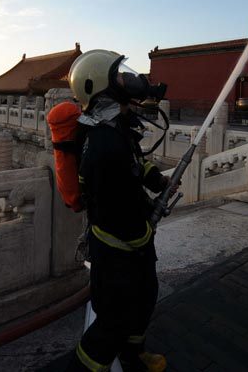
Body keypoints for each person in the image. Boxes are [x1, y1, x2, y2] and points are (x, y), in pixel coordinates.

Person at [65, 49, 171, 372]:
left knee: (145, 298)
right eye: (119, 76)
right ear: (102, 87)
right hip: (117, 250)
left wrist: (156, 180)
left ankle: (133, 354)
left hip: (135, 247)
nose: (128, 79)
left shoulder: (116, 126)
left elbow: (136, 162)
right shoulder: (102, 145)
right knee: (113, 321)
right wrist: (145, 231)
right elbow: (116, 211)